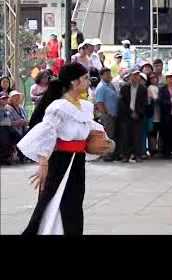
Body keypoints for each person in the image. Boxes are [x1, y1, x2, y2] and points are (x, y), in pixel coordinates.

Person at [17, 63, 113, 235]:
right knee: (53, 201)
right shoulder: (58, 107)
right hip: (61, 162)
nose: (88, 82)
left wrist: (106, 140)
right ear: (74, 82)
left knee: (74, 205)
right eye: (84, 79)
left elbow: (90, 127)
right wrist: (43, 164)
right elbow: (47, 133)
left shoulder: (84, 106)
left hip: (77, 161)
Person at [117, 70, 149, 163]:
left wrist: (137, 113)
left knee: (137, 136)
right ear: (130, 77)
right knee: (126, 136)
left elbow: (144, 103)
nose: (135, 78)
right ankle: (125, 156)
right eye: (134, 76)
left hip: (138, 116)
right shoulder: (124, 88)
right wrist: (130, 112)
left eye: (137, 76)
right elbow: (122, 103)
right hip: (126, 116)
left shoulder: (143, 89)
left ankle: (137, 155)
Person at [95, 68, 119, 162]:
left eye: (109, 73)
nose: (109, 76)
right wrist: (106, 113)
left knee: (112, 135)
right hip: (107, 115)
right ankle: (107, 155)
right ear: (101, 76)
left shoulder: (110, 85)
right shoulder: (101, 87)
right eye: (106, 74)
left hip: (114, 114)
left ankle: (111, 153)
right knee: (109, 135)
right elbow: (99, 103)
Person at [147, 73, 162, 157]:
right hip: (153, 114)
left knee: (158, 133)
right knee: (152, 133)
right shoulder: (150, 88)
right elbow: (155, 99)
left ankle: (159, 149)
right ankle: (152, 149)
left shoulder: (159, 88)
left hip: (159, 114)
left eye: (155, 78)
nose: (154, 80)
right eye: (151, 78)